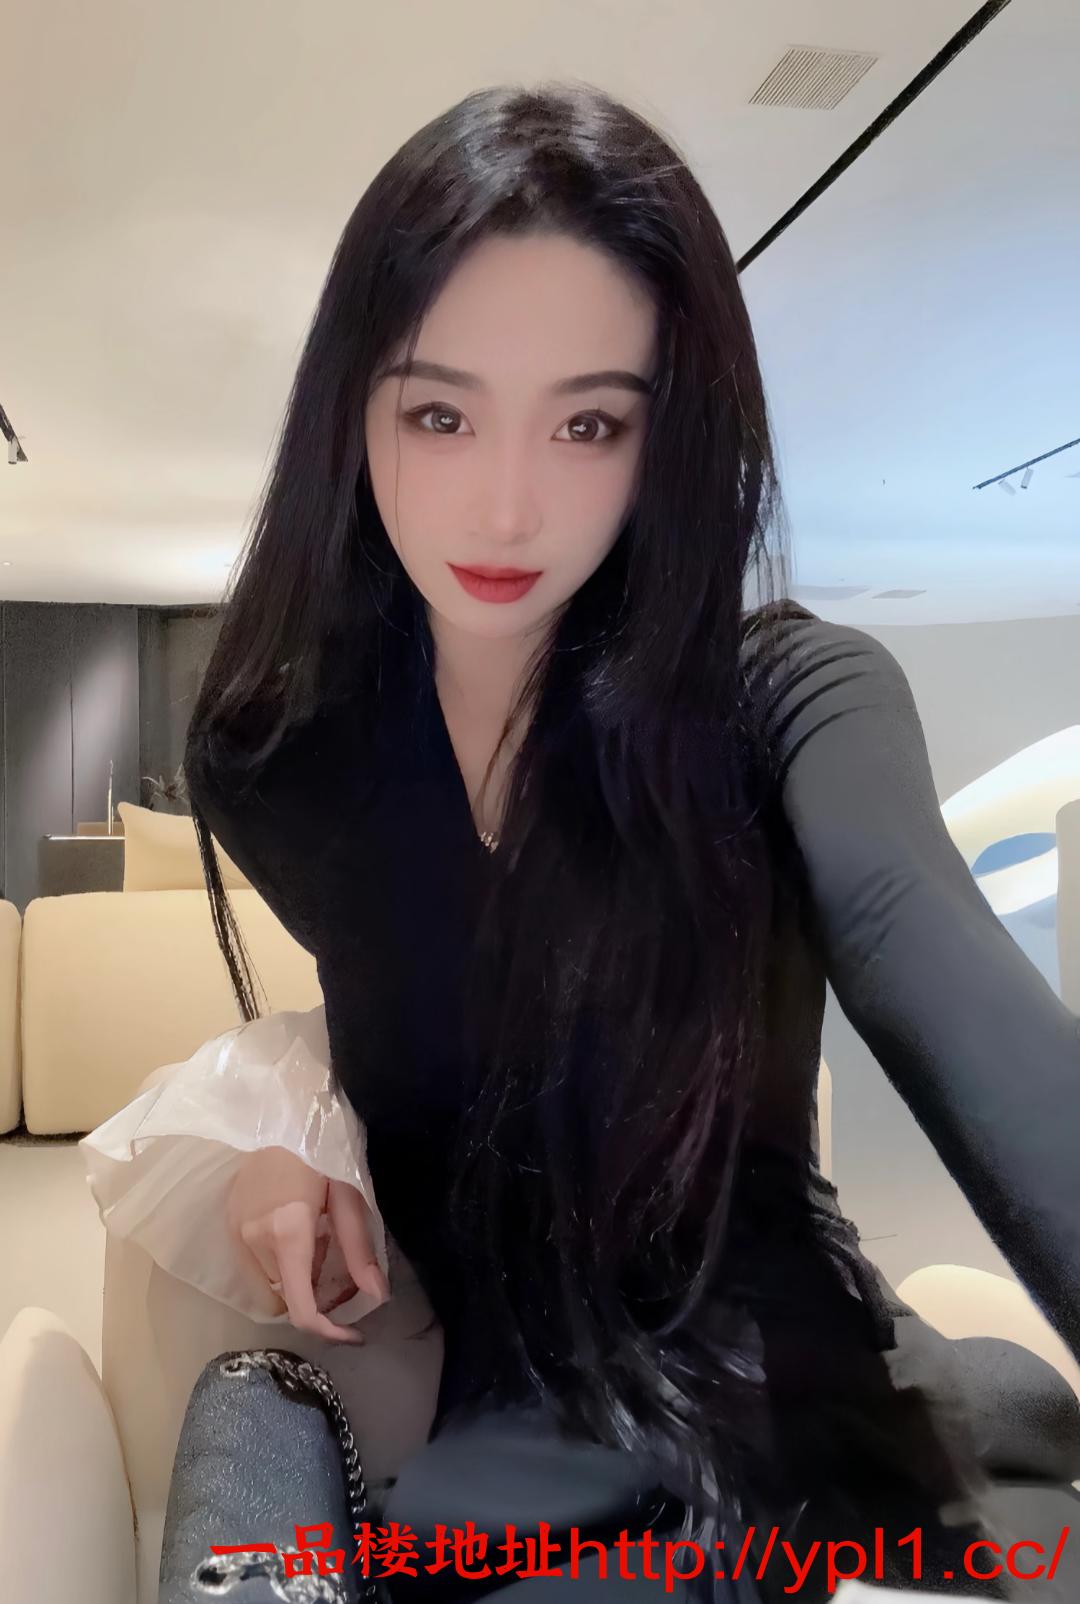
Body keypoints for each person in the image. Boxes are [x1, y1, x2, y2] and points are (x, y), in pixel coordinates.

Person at [160, 82, 1079, 1603]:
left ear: (671, 438)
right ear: (351, 414)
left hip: (826, 1421)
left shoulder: (785, 700)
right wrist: (292, 1123)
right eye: (440, 413)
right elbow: (410, 999)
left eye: (590, 423)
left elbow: (927, 950)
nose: (508, 506)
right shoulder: (276, 767)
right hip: (534, 1470)